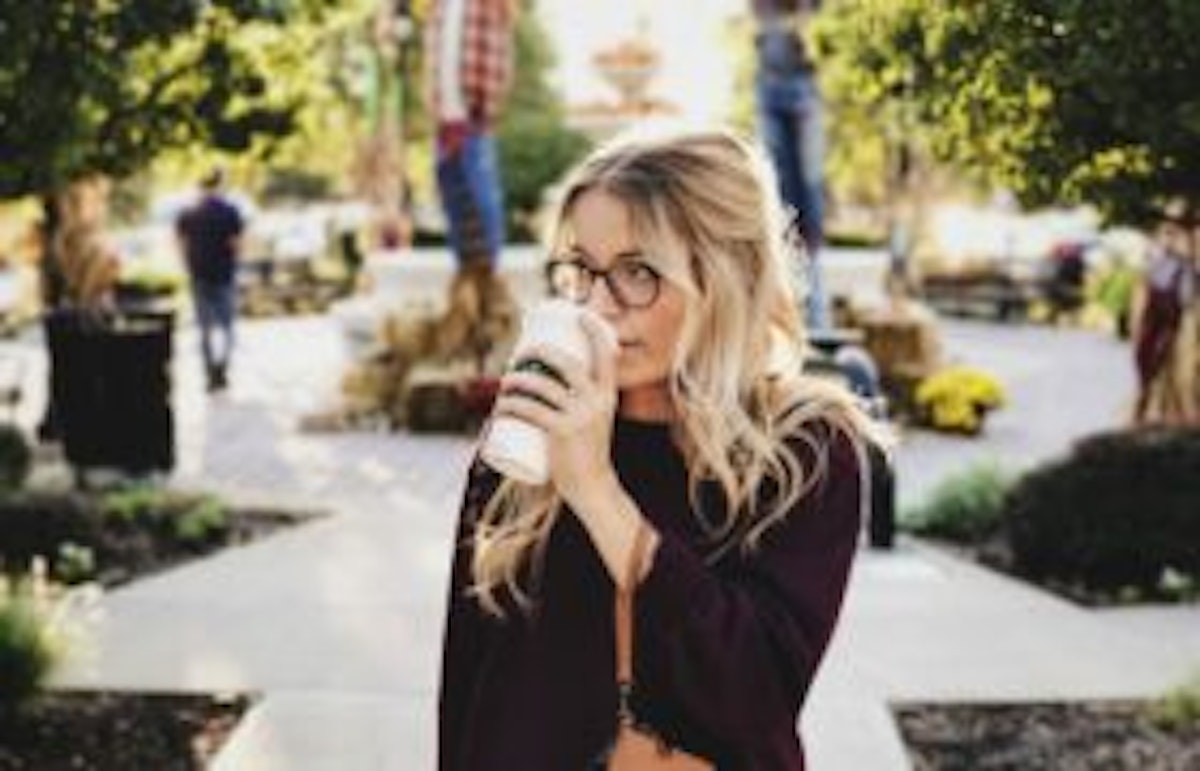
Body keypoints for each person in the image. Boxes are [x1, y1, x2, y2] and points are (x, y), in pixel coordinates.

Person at [438, 125, 883, 769]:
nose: (596, 304)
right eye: (582, 270)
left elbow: (754, 697)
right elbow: (468, 682)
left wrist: (597, 493)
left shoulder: (804, 449)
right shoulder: (534, 427)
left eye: (637, 272)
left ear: (727, 277)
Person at [751, 0, 830, 331]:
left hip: (805, 89)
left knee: (809, 185)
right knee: (775, 187)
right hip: (770, 86)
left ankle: (815, 309)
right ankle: (784, 306)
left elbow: (817, 24)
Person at [424, 0, 515, 271]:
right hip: (445, 120)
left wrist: (489, 106)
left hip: (475, 117)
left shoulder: (488, 4)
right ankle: (465, 276)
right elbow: (433, 58)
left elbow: (499, 55)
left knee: (482, 196)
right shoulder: (439, 6)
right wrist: (433, 104)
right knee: (453, 201)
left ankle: (490, 278)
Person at [176, 168, 244, 393]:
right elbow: (236, 244)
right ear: (220, 184)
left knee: (204, 328)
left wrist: (189, 265)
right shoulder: (230, 212)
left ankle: (209, 373)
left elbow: (181, 246)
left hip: (198, 275)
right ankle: (221, 369)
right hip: (224, 274)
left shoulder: (188, 213)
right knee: (227, 326)